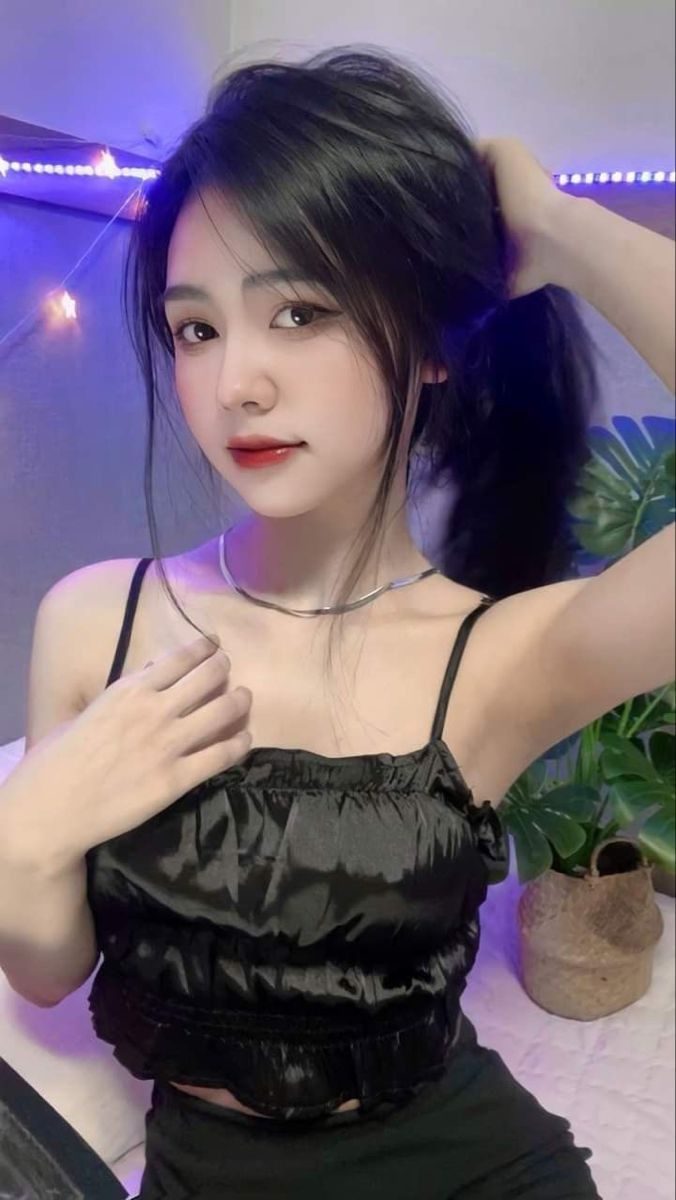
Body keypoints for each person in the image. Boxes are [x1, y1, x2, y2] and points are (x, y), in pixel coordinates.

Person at [1, 43, 674, 1200]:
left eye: (298, 311)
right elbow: (51, 973)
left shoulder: (498, 657)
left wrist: (560, 231)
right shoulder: (97, 622)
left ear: (430, 345)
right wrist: (20, 840)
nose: (235, 384)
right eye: (196, 329)